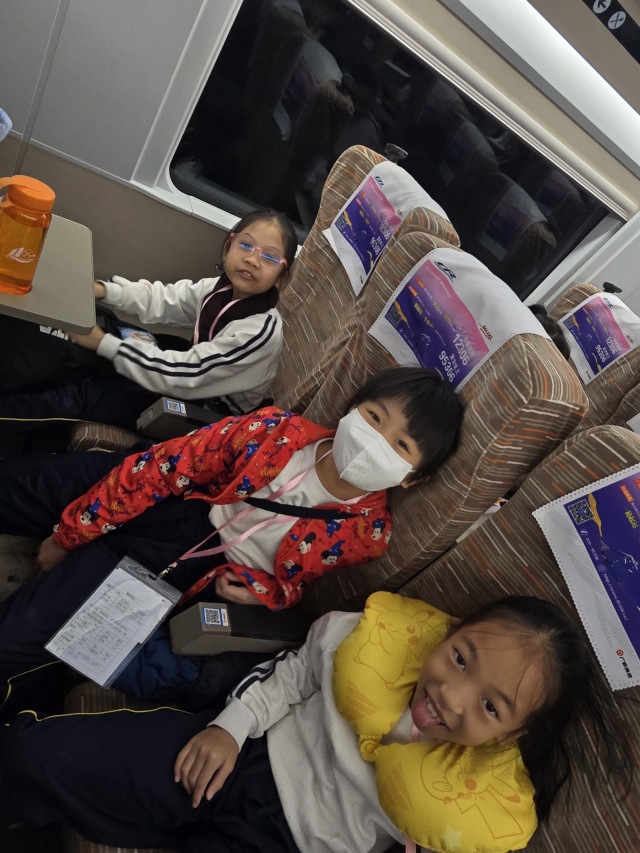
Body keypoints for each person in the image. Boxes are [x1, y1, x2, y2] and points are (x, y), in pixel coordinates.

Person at [0, 594, 632, 853]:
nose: (451, 695)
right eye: (461, 657)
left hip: (288, 844)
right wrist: (230, 726)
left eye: (492, 707)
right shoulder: (374, 645)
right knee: (42, 756)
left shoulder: (479, 801)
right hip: (242, 754)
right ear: (449, 632)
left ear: (512, 735)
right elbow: (295, 673)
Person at [0, 366, 464, 712]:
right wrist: (70, 535)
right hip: (178, 502)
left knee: (24, 631)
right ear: (351, 410)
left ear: (412, 478)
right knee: (20, 486)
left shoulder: (366, 536)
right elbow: (163, 468)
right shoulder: (274, 432)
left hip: (190, 568)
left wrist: (265, 592)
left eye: (400, 445)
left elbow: (296, 583)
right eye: (374, 417)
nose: (375, 441)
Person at [0, 208, 297, 435]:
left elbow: (184, 375)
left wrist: (104, 343)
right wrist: (105, 291)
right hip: (186, 371)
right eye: (246, 245)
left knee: (85, 394)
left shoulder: (259, 332)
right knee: (100, 326)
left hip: (204, 414)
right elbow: (163, 299)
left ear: (281, 277)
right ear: (228, 247)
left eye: (270, 258)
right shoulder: (218, 289)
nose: (252, 259)